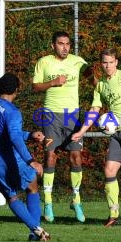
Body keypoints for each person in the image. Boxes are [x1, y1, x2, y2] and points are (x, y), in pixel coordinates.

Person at [72, 48, 121, 227]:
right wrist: (82, 131)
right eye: (104, 62)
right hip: (116, 133)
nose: (107, 65)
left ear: (116, 62)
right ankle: (114, 215)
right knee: (109, 171)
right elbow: (94, 110)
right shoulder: (101, 86)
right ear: (101, 64)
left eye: (111, 62)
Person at [32, 31, 92, 223]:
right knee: (50, 156)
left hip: (72, 116)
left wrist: (101, 88)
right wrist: (53, 82)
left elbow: (93, 77)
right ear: (53, 46)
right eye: (60, 43)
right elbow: (35, 86)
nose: (65, 47)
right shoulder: (44, 62)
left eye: (67, 44)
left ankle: (76, 200)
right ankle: (48, 203)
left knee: (76, 157)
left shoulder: (78, 61)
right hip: (51, 115)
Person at [0, 73, 50, 241]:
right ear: (16, 90)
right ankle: (35, 231)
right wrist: (31, 161)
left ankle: (36, 230)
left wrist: (29, 135)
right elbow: (14, 138)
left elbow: (6, 133)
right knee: (32, 186)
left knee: (12, 196)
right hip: (10, 158)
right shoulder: (13, 111)